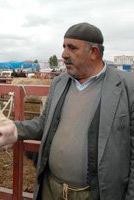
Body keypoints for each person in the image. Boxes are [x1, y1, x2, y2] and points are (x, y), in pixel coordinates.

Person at [14, 22, 134, 200]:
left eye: (72, 48)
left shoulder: (127, 86)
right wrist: (13, 129)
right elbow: (44, 123)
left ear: (93, 52)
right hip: (51, 188)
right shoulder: (60, 82)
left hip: (96, 194)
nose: (63, 54)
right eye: (63, 47)